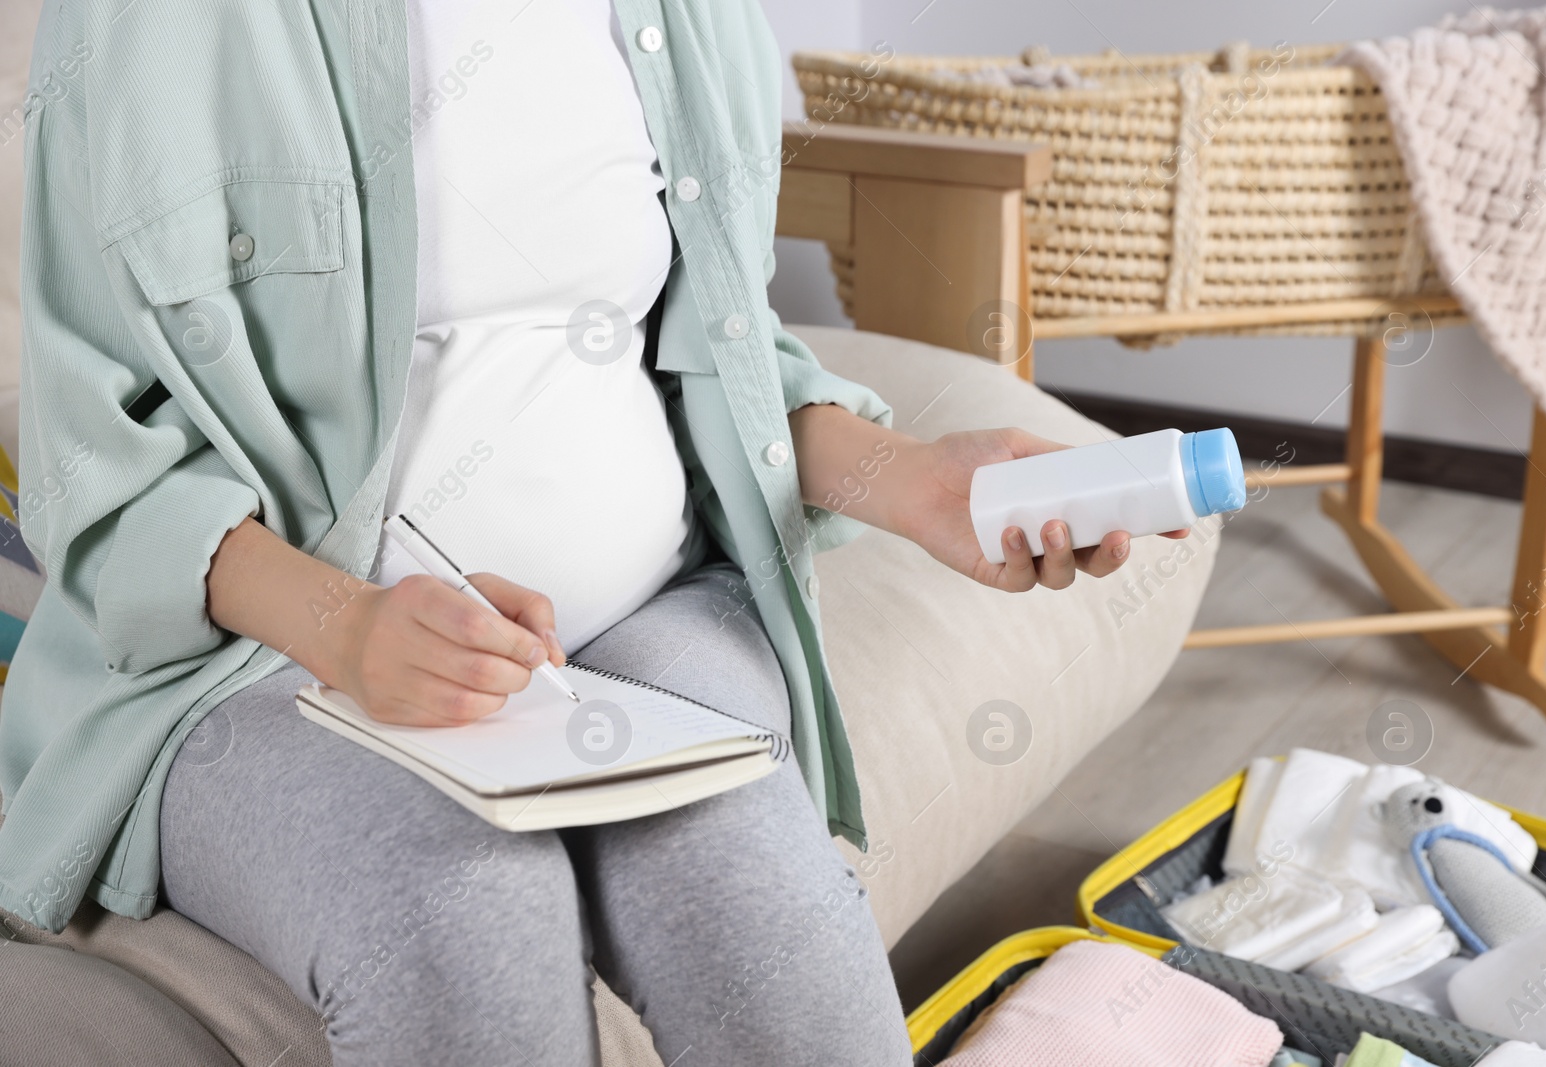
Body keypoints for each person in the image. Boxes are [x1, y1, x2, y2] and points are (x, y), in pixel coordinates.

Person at [0, 1, 1180, 1064]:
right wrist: (347, 625)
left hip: (656, 607)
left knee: (753, 888)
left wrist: (913, 478)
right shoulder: (150, 25)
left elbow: (716, 346)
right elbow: (93, 467)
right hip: (263, 668)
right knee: (461, 906)